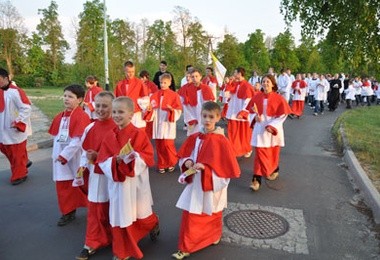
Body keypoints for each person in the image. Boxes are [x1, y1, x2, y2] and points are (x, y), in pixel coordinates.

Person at [172, 101, 240, 259]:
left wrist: (206, 168)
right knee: (191, 214)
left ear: (218, 118)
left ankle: (213, 235)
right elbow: (186, 155)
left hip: (211, 183)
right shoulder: (196, 136)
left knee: (213, 211)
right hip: (196, 183)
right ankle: (186, 246)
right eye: (204, 116)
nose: (207, 120)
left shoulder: (221, 141)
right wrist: (187, 161)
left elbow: (226, 169)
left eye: (211, 117)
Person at [97, 97, 160, 260]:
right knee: (120, 216)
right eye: (115, 112)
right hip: (118, 183)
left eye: (121, 112)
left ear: (131, 115)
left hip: (135, 183)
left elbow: (147, 157)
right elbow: (102, 160)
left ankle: (153, 223)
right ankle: (122, 250)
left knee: (142, 215)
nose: (117, 115)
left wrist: (132, 158)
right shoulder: (110, 136)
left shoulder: (138, 134)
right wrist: (114, 161)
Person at [75, 91, 116, 260]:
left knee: (115, 208)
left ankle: (119, 237)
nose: (100, 109)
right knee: (95, 208)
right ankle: (92, 241)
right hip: (95, 175)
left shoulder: (118, 126)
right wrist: (81, 169)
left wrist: (100, 157)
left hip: (114, 175)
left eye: (105, 106)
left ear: (113, 107)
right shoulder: (90, 127)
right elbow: (84, 152)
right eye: (97, 105)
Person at [48, 84, 91, 226]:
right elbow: (57, 137)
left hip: (74, 158)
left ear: (79, 100)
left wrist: (65, 155)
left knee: (80, 184)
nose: (66, 99)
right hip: (60, 158)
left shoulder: (82, 116)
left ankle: (95, 208)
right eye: (65, 96)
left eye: (70, 97)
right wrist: (58, 154)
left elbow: (78, 140)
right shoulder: (60, 116)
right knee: (63, 185)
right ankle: (67, 211)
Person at [246, 74, 292, 191]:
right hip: (260, 129)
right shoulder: (256, 97)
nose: (265, 83)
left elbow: (283, 114)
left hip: (272, 130)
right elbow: (250, 112)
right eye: (263, 81)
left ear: (273, 84)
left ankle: (274, 168)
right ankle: (256, 179)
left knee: (273, 152)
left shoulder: (279, 98)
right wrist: (254, 118)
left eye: (268, 81)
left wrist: (272, 126)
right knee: (260, 154)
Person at [144, 73, 182, 173]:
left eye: (165, 83)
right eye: (161, 82)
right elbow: (151, 107)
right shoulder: (155, 95)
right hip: (158, 122)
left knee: (168, 145)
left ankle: (171, 162)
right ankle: (162, 163)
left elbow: (178, 109)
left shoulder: (174, 95)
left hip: (167, 122)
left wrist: (172, 110)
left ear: (169, 83)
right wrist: (149, 110)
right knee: (160, 145)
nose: (162, 85)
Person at [0, 68, 32, 185]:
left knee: (16, 152)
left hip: (13, 129)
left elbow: (26, 108)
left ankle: (19, 175)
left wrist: (18, 121)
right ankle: (24, 161)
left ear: (6, 78)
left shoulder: (15, 91)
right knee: (5, 149)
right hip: (2, 129)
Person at [225, 67, 256, 157]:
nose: (234, 74)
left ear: (239, 74)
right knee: (233, 133)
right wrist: (228, 84)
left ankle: (247, 149)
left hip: (241, 114)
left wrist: (243, 112)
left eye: (235, 72)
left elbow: (249, 100)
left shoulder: (247, 86)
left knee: (244, 134)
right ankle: (234, 150)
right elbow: (227, 95)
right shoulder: (234, 84)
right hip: (233, 113)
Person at [178, 68, 215, 136]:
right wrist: (190, 119)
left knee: (204, 137)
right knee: (193, 138)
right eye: (192, 77)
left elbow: (209, 106)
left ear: (200, 76)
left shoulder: (206, 88)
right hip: (192, 119)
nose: (194, 78)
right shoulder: (186, 89)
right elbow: (184, 106)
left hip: (204, 117)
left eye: (196, 76)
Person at [114, 61, 150, 129]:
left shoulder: (140, 83)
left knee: (139, 137)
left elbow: (145, 99)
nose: (130, 74)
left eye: (132, 72)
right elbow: (115, 100)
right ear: (124, 71)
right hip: (124, 115)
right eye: (128, 72)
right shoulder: (119, 85)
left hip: (137, 115)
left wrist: (145, 110)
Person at [139, 70, 159, 139]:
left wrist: (151, 105)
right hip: (141, 107)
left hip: (149, 107)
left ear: (145, 77)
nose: (141, 79)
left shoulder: (152, 85)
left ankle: (147, 139)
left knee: (149, 124)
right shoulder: (139, 84)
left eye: (142, 77)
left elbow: (155, 96)